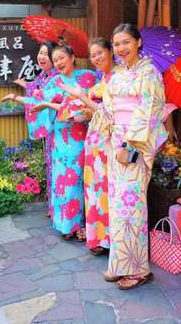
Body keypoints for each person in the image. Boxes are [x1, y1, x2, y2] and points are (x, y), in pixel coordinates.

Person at [90, 23, 168, 290]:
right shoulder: (118, 74)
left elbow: (149, 112)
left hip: (134, 146)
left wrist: (129, 146)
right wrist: (104, 137)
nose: (120, 49)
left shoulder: (150, 73)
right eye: (116, 44)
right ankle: (119, 264)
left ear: (138, 42)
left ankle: (138, 269)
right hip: (115, 144)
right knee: (118, 207)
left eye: (125, 42)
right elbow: (108, 108)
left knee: (131, 208)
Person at [4, 45, 97, 239]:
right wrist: (16, 97)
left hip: (82, 137)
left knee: (81, 181)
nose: (60, 63)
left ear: (72, 57)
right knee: (62, 182)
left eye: (63, 57)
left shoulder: (89, 77)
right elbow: (37, 100)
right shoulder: (54, 81)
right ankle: (67, 226)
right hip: (60, 137)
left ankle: (82, 225)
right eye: (56, 61)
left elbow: (95, 102)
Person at [59, 38, 114, 255]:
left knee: (107, 191)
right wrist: (82, 110)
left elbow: (110, 113)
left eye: (100, 53)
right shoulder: (102, 79)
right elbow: (96, 111)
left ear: (110, 52)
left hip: (109, 141)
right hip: (94, 140)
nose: (97, 58)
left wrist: (82, 97)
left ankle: (109, 238)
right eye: (93, 55)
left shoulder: (118, 79)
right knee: (94, 191)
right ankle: (98, 238)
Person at [12, 42, 57, 214]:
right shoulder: (44, 76)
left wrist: (21, 93)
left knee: (56, 165)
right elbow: (35, 88)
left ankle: (56, 207)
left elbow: (40, 94)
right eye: (40, 53)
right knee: (50, 164)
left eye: (46, 54)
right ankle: (53, 206)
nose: (42, 57)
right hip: (50, 129)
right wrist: (24, 85)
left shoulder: (55, 77)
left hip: (57, 126)